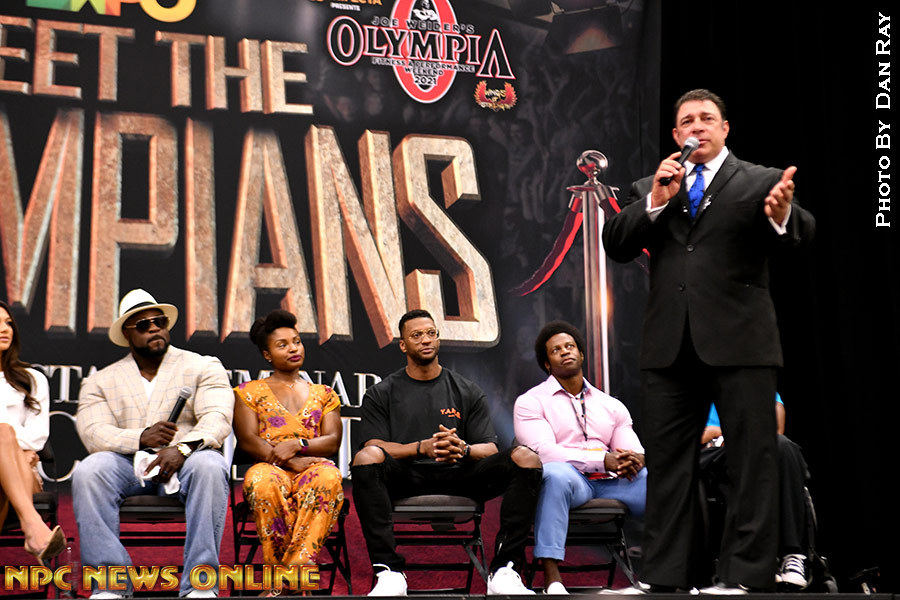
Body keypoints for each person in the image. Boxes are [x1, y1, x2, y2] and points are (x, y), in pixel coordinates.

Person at [602, 89, 816, 593]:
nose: (697, 126)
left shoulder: (760, 180)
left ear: (724, 128)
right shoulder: (652, 185)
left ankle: (744, 575)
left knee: (751, 458)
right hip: (670, 345)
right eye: (687, 121)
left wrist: (781, 214)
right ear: (676, 134)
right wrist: (656, 202)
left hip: (741, 342)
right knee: (670, 464)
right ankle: (666, 576)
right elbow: (616, 242)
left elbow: (802, 231)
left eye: (706, 118)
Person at [351, 309, 543, 596]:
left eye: (431, 333)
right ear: (403, 345)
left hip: (460, 476)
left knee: (526, 458)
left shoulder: (467, 390)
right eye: (417, 335)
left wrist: (463, 449)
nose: (426, 340)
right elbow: (373, 446)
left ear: (438, 339)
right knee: (366, 458)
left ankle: (505, 569)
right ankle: (389, 571)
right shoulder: (382, 392)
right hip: (407, 478)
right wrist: (422, 448)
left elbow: (489, 448)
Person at [72, 289, 233, 598]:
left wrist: (183, 449)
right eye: (144, 325)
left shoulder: (202, 366)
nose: (155, 328)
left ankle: (200, 585)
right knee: (90, 471)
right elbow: (93, 432)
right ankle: (109, 586)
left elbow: (217, 416)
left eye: (160, 321)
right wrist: (140, 437)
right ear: (127, 333)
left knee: (211, 465)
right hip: (130, 467)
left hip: (186, 462)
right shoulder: (100, 381)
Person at [514, 321, 646, 595]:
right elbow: (543, 453)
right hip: (571, 481)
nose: (565, 352)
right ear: (547, 364)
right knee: (554, 475)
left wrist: (634, 459)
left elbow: (632, 449)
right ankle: (552, 578)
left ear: (582, 354)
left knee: (653, 481)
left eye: (570, 346)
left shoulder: (610, 404)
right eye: (556, 350)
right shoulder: (531, 402)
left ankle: (667, 570)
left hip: (609, 482)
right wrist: (602, 460)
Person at [233, 309, 344, 582]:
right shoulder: (248, 392)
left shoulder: (325, 394)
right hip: (269, 466)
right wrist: (290, 461)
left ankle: (284, 580)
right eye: (282, 345)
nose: (293, 349)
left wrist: (299, 444)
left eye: (297, 341)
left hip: (312, 466)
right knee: (261, 481)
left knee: (329, 477)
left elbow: (332, 441)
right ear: (267, 354)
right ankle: (291, 580)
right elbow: (248, 440)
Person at [700, 395, 812, 590]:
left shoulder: (749, 384)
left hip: (750, 447)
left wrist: (727, 433)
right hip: (710, 454)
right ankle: (749, 559)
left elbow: (776, 427)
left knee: (784, 446)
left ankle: (791, 555)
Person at [0, 300, 65, 564]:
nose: (5, 329)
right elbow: (25, 441)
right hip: (22, 466)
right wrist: (19, 453)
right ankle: (34, 528)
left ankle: (31, 527)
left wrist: (9, 447)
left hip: (25, 475)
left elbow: (37, 437)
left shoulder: (32, 378)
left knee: (3, 433)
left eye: (8, 323)